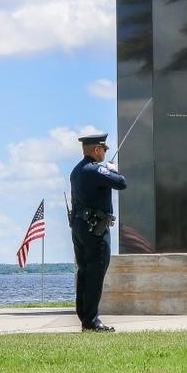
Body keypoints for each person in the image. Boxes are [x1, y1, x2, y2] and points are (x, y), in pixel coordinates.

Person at [70, 133, 127, 331]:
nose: (105, 153)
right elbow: (122, 183)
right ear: (96, 149)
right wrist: (111, 170)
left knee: (84, 272)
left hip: (79, 227)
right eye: (104, 149)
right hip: (95, 229)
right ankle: (91, 321)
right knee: (96, 272)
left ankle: (84, 317)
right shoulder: (95, 170)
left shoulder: (77, 170)